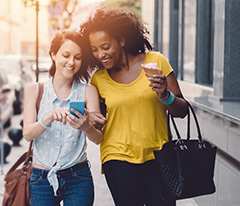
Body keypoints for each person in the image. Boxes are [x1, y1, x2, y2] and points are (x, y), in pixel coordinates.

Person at [80, 5, 189, 206]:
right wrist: (91, 119)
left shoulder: (156, 62)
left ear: (121, 40)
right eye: (94, 50)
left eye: (106, 47)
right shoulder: (99, 79)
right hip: (117, 157)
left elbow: (182, 111)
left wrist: (164, 94)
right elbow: (98, 123)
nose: (100, 54)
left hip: (159, 156)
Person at [22, 29, 103, 206]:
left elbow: (98, 139)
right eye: (66, 55)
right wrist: (48, 118)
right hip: (41, 179)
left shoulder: (88, 91)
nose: (71, 62)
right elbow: (27, 134)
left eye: (78, 57)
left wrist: (86, 126)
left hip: (78, 177)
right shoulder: (34, 90)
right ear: (53, 54)